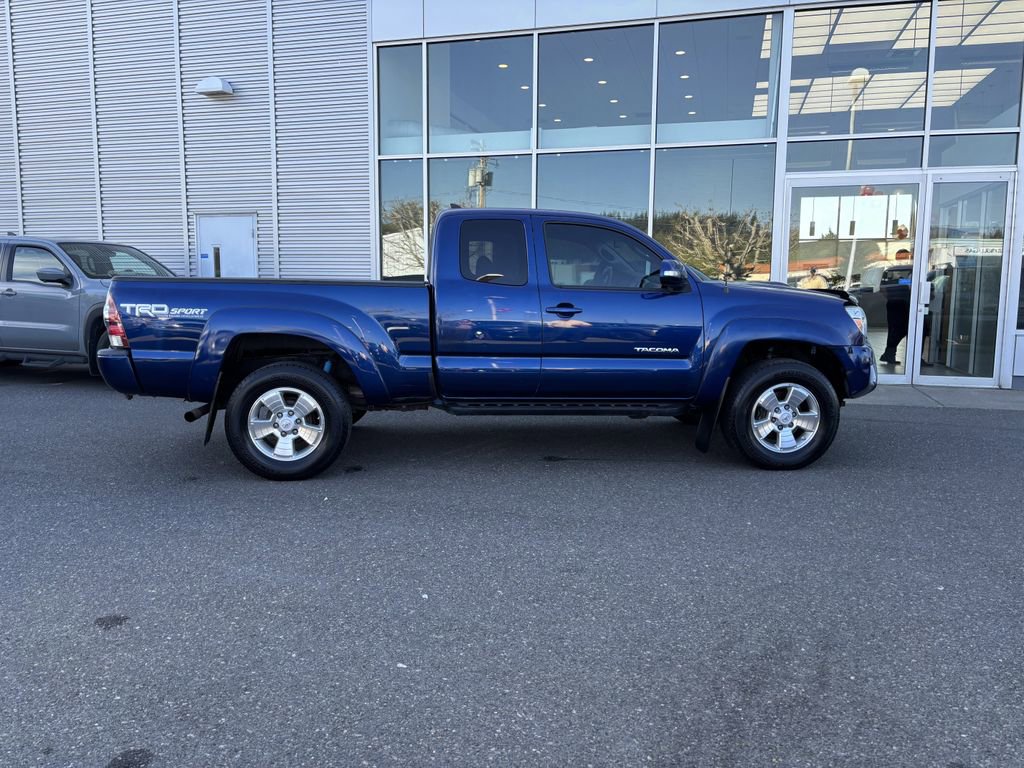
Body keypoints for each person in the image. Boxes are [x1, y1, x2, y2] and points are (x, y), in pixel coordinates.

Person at [879, 248, 912, 365]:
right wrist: (891, 297)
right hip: (896, 303)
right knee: (896, 329)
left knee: (901, 329)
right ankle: (889, 354)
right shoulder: (891, 270)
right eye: (902, 257)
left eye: (906, 257)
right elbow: (883, 286)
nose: (904, 259)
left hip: (904, 303)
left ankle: (889, 354)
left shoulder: (910, 269)